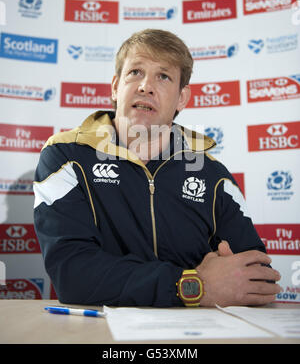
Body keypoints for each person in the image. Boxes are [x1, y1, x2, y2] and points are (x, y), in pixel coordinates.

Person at [33, 29, 281, 307]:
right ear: (115, 87)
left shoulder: (214, 175)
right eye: (135, 72)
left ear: (182, 99)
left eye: (163, 76)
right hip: (101, 333)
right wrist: (195, 285)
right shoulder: (66, 157)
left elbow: (258, 280)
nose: (145, 86)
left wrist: (216, 283)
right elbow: (73, 276)